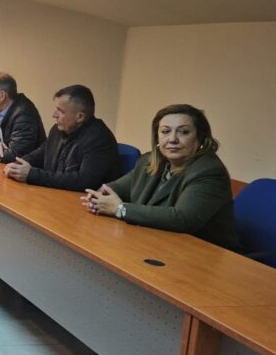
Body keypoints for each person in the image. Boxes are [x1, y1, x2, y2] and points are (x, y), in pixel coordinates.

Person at [81, 104, 241, 251]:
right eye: (165, 131)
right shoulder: (150, 161)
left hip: (200, 254)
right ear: (157, 137)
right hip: (155, 243)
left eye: (184, 132)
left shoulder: (209, 171)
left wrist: (120, 209)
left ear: (200, 137)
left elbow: (182, 219)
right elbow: (114, 188)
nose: (172, 139)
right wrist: (99, 197)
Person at [3, 85, 120, 191]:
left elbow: (83, 181)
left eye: (60, 111)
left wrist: (32, 175)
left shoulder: (99, 139)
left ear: (80, 117)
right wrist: (16, 165)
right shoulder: (58, 130)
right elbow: (40, 154)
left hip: (79, 202)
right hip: (53, 194)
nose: (54, 115)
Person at [0, 72, 46, 163]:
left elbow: (15, 156)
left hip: (26, 169)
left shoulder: (24, 113)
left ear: (2, 95)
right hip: (2, 167)